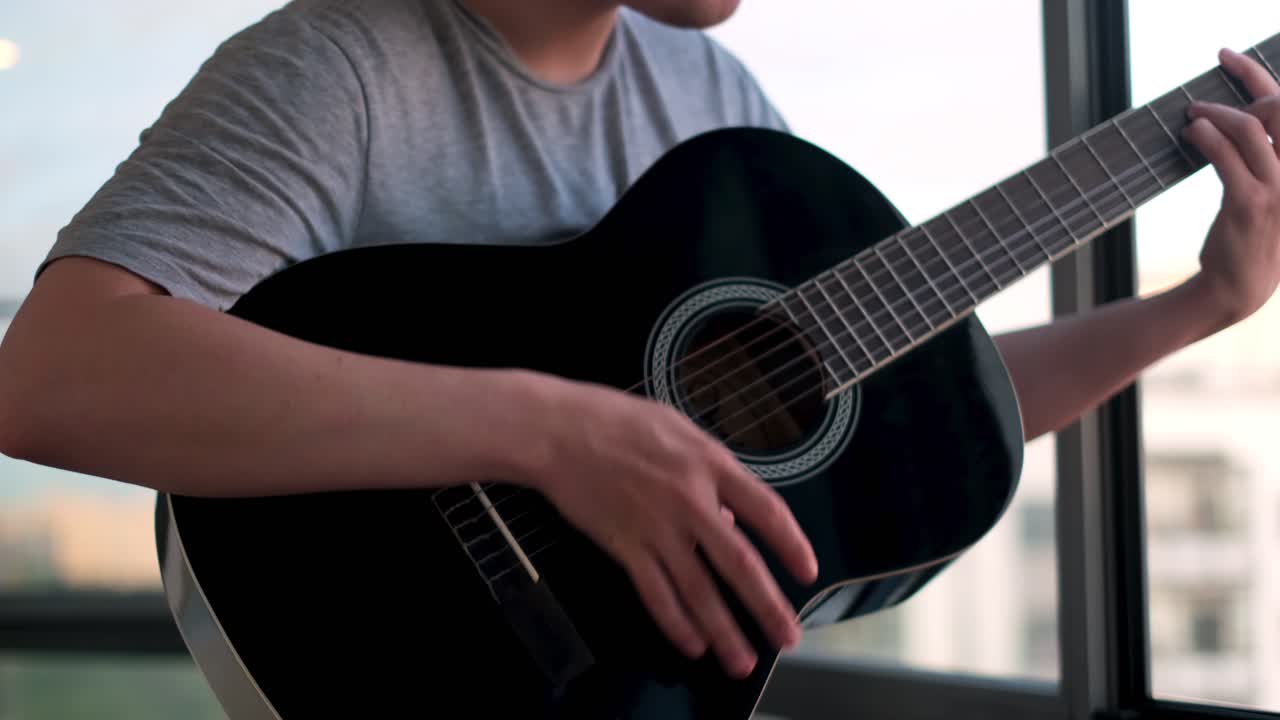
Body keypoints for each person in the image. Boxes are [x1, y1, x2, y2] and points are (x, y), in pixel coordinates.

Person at [1, 0, 1278, 682]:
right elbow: (54, 378)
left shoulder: (712, 106)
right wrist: (549, 434)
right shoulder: (339, 66)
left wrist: (1196, 307)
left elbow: (910, 393)